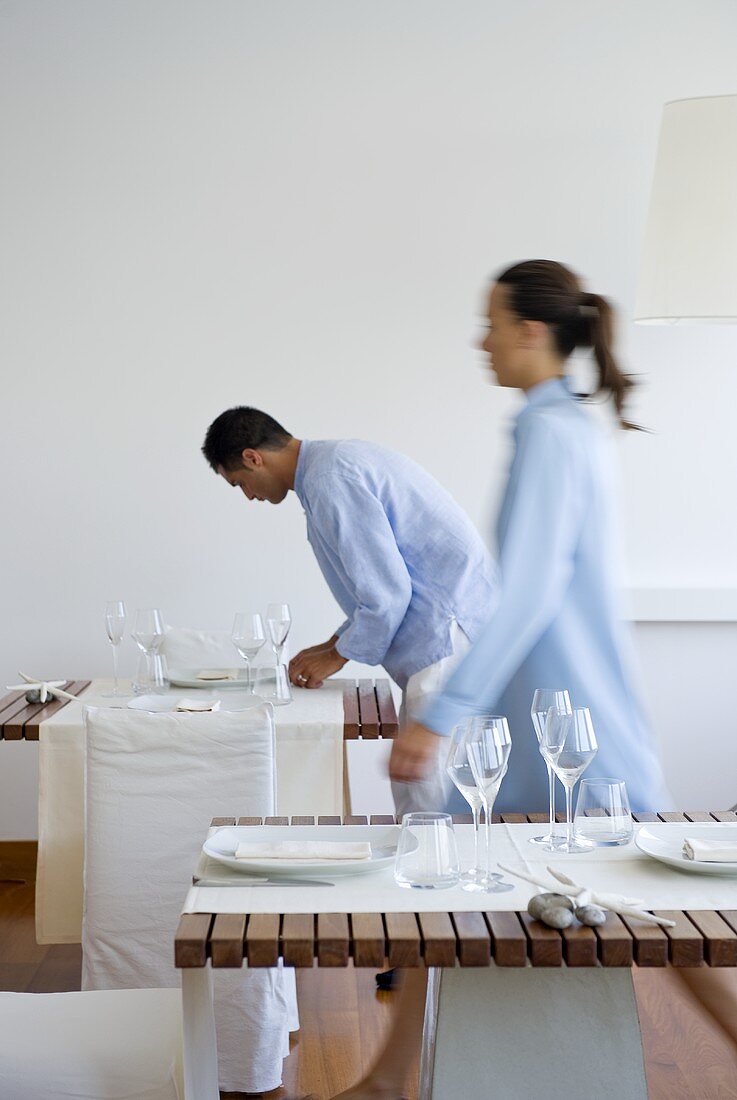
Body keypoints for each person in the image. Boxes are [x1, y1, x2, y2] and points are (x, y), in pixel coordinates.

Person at [334, 258, 673, 1100]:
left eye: (490, 322)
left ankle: (389, 1077)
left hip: (569, 730)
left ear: (532, 330)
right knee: (445, 877)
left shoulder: (553, 434)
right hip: (544, 720)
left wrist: (440, 715)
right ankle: (391, 1076)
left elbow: (525, 592)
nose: (479, 340)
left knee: (652, 925)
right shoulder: (553, 428)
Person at [201, 408, 498, 814]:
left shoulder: (329, 480)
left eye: (239, 483)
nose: (248, 496)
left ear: (254, 457)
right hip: (452, 633)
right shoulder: (333, 464)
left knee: (433, 805)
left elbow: (389, 593)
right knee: (431, 798)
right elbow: (388, 583)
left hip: (447, 639)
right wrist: (333, 643)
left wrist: (338, 655)